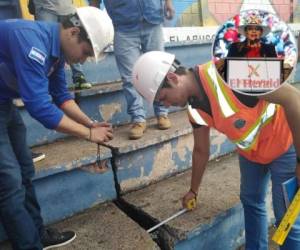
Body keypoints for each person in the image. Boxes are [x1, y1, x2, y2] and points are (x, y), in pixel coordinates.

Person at [132, 51, 300, 250]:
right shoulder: (194, 109)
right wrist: (193, 190)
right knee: (251, 201)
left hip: (283, 144)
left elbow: (293, 98)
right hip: (251, 154)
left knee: (287, 218)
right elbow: (201, 150)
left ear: (172, 77)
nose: (167, 106)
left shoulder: (233, 71)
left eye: (164, 98)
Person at [0, 6, 114, 250]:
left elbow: (61, 96)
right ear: (73, 32)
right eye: (85, 52)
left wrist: (90, 123)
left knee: (25, 170)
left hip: (3, 102)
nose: (83, 60)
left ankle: (37, 233)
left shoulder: (57, 51)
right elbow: (40, 107)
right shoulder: (31, 42)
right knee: (9, 182)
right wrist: (88, 134)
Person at [90, 0, 175, 139]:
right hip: (123, 25)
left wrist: (168, 2)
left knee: (159, 70)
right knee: (129, 77)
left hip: (152, 19)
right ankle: (138, 119)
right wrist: (94, 21)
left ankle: (162, 112)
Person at [32, 0, 92, 90]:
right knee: (46, 44)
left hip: (67, 8)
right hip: (45, 7)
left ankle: (79, 76)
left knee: (74, 41)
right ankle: (46, 81)